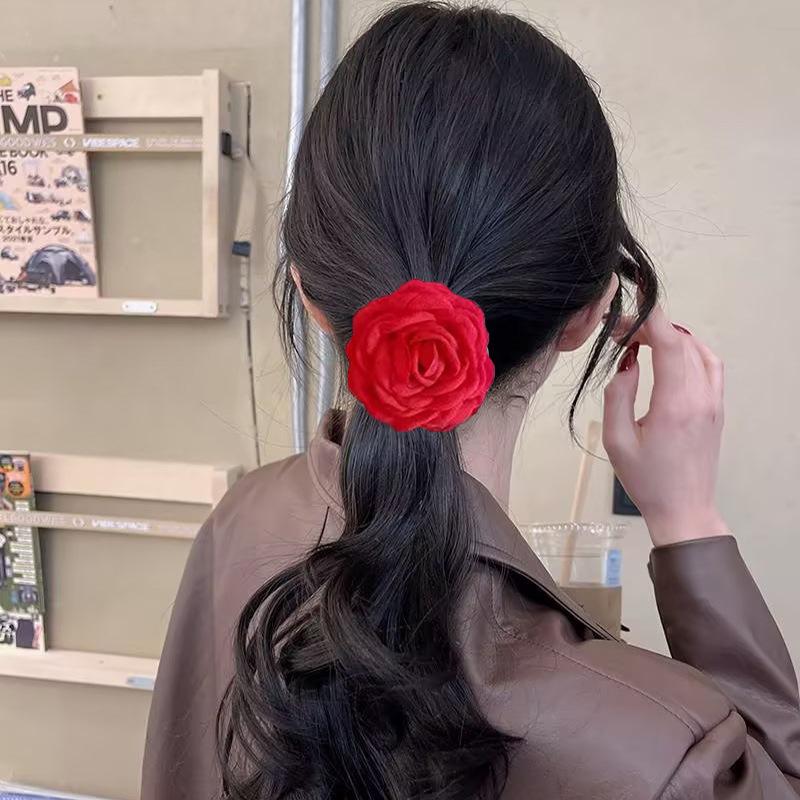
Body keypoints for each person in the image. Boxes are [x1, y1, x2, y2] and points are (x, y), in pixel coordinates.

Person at [141, 3, 800, 799]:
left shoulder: (238, 524)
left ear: (309, 293)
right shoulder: (665, 753)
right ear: (589, 314)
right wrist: (689, 521)